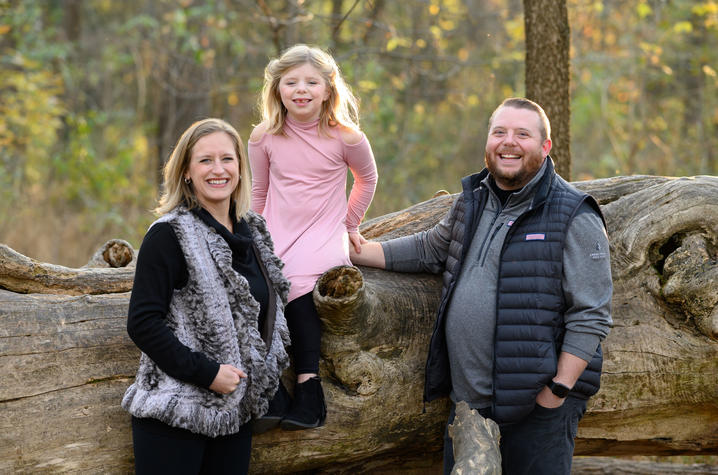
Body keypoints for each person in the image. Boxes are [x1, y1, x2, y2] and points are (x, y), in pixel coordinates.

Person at [351, 98, 612, 475]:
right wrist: (355, 251)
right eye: (499, 132)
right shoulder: (472, 200)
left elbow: (591, 316)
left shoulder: (573, 213)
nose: (509, 142)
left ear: (545, 147)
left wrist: (555, 393)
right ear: (487, 141)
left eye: (523, 134)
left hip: (535, 411)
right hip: (469, 409)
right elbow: (429, 249)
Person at [122, 118, 291, 474]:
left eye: (227, 159)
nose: (218, 170)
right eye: (205, 160)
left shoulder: (254, 234)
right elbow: (142, 323)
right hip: (175, 415)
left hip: (234, 414)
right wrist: (208, 373)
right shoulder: (169, 235)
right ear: (186, 171)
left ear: (241, 169)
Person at [248, 44, 378, 431]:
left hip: (324, 232)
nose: (300, 89)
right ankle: (270, 389)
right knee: (258, 289)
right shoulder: (263, 137)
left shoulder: (346, 137)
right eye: (291, 82)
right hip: (276, 230)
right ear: (277, 89)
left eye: (311, 82)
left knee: (300, 289)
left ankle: (309, 388)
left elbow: (367, 180)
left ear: (327, 89)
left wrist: (350, 223)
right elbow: (260, 190)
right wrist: (253, 235)